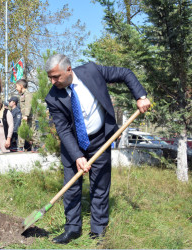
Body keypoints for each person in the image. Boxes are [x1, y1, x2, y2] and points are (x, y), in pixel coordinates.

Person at [44, 54, 151, 244]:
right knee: (71, 187)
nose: (53, 81)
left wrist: (141, 96)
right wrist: (77, 155)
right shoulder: (53, 97)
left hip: (100, 139)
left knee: (100, 185)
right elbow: (62, 129)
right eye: (50, 77)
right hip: (73, 144)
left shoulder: (92, 71)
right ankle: (72, 229)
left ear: (69, 70)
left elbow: (125, 74)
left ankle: (98, 230)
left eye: (56, 77)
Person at [16, 79, 34, 151]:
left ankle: (36, 146)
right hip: (24, 117)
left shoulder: (28, 94)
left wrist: (26, 115)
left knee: (32, 131)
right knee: (22, 131)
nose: (16, 88)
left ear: (21, 86)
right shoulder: (22, 95)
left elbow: (28, 105)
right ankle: (20, 146)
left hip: (28, 117)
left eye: (17, 86)